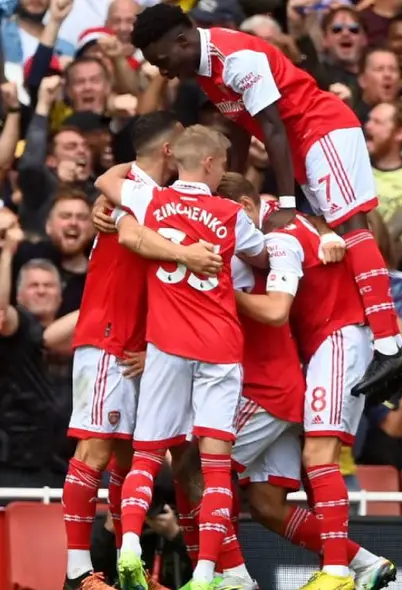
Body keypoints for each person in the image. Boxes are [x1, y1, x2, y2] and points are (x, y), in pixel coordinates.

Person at [128, 3, 402, 397]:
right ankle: (383, 345)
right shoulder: (205, 70)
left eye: (163, 60)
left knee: (353, 229)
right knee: (344, 232)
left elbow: (274, 128)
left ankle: (390, 346)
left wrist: (285, 201)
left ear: (182, 40)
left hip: (321, 129)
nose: (163, 72)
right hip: (305, 144)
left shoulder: (236, 59)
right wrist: (229, 182)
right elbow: (245, 129)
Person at [94, 125, 269, 590]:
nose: (225, 171)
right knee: (214, 468)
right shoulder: (232, 214)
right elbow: (264, 255)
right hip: (219, 348)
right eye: (225, 163)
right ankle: (207, 573)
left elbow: (108, 181)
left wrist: (115, 211)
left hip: (166, 346)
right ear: (210, 164)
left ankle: (129, 545)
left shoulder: (149, 200)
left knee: (146, 455)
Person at [63, 111, 224, 590]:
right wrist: (187, 253)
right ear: (171, 149)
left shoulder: (150, 198)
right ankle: (76, 575)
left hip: (141, 346)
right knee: (93, 451)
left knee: (129, 462)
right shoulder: (127, 193)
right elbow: (119, 206)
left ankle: (122, 574)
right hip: (108, 338)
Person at [217, 173, 398, 590]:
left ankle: (334, 571)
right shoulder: (290, 225)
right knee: (265, 504)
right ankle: (364, 562)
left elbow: (275, 294)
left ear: (245, 209)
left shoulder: (279, 234)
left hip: (338, 337)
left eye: (226, 223)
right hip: (309, 356)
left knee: (319, 455)